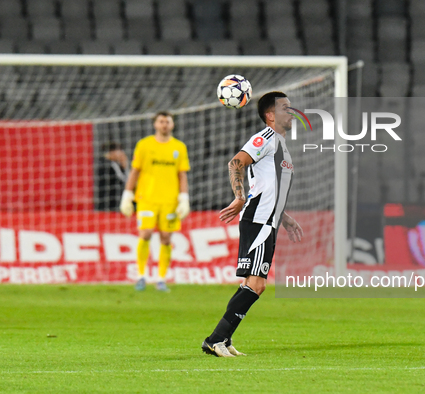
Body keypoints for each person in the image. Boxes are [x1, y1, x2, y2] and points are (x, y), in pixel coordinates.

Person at [201, 92, 303, 357]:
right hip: (258, 220)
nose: (291, 111)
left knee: (253, 283)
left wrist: (285, 218)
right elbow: (236, 162)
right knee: (257, 284)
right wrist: (239, 196)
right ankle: (216, 339)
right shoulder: (265, 138)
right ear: (270, 115)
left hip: (268, 221)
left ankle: (221, 338)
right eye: (285, 107)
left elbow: (269, 188)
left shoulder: (281, 145)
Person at [119, 111, 191, 292]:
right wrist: (127, 194)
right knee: (145, 234)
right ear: (155, 125)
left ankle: (161, 279)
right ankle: (141, 276)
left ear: (172, 124)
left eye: (167, 121)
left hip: (170, 200)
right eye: (161, 121)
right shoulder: (144, 145)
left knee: (166, 238)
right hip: (147, 198)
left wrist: (184, 198)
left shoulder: (179, 147)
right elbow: (135, 171)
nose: (164, 124)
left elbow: (181, 174)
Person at [96, 141, 129, 211]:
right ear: (112, 152)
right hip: (109, 205)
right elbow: (124, 181)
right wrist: (124, 166)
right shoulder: (110, 165)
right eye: (120, 151)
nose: (122, 154)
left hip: (108, 203)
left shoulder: (106, 163)